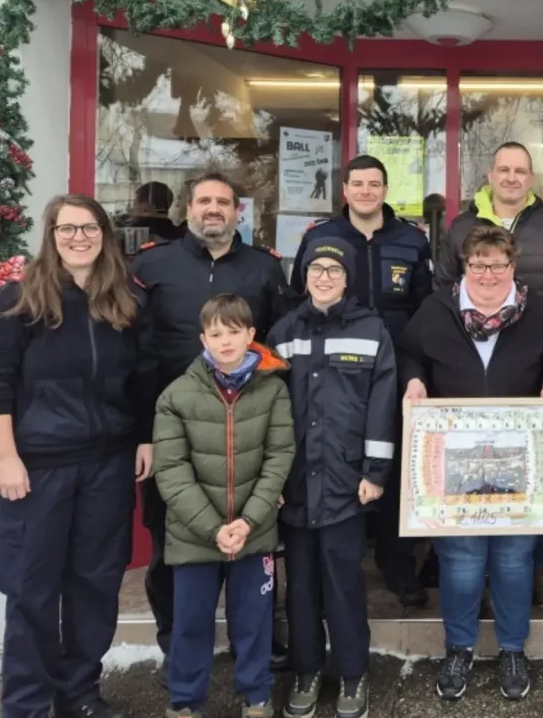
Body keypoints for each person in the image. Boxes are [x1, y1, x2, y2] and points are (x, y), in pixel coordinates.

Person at [0, 194, 155, 718]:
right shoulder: (17, 301)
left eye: (90, 228)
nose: (80, 238)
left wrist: (144, 437)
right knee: (32, 589)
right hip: (39, 467)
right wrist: (5, 457)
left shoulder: (126, 302)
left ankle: (79, 694)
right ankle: (29, 704)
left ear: (105, 234)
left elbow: (143, 377)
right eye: (67, 229)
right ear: (51, 237)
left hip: (107, 464)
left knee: (95, 585)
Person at [397, 225, 543, 702]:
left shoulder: (536, 310)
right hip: (454, 455)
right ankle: (458, 648)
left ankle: (512, 649)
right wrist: (415, 381)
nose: (486, 273)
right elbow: (410, 353)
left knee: (513, 559)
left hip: (517, 455)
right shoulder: (438, 309)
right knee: (460, 561)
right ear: (464, 266)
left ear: (512, 266)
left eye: (497, 264)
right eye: (476, 263)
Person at [133, 171, 294, 666]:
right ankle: (176, 647)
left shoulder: (264, 269)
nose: (213, 209)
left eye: (224, 202)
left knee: (254, 543)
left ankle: (259, 645)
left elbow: (279, 345)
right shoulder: (151, 264)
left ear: (237, 212)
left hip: (245, 432)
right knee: (171, 547)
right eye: (204, 200)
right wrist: (143, 435)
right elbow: (136, 353)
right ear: (188, 209)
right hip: (173, 432)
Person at [434, 141, 543, 609]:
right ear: (490, 174)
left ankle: (542, 568)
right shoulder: (462, 226)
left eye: (520, 170)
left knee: (539, 473)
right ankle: (476, 575)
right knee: (475, 467)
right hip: (471, 372)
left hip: (539, 376)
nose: (511, 177)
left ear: (530, 178)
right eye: (503, 169)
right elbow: (442, 292)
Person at [290, 154, 432, 608]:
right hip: (331, 377)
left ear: (386, 190)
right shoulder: (321, 239)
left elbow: (423, 311)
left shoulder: (412, 241)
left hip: (392, 373)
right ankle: (335, 563)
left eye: (375, 184)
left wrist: (417, 374)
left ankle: (397, 564)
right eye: (358, 184)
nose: (367, 191)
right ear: (345, 190)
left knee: (392, 466)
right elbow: (300, 301)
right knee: (335, 463)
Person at [268, 242, 398, 718]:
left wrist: (375, 473)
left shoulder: (371, 331)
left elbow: (382, 407)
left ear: (348, 278)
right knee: (299, 586)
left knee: (343, 583)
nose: (324, 276)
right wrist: (272, 478)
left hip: (347, 483)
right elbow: (268, 411)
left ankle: (351, 674)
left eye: (333, 269)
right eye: (315, 268)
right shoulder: (282, 332)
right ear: (303, 276)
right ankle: (305, 671)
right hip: (296, 483)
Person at [152, 294, 295, 718]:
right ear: (203, 339)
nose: (226, 341)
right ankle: (184, 700)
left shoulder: (273, 390)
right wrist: (215, 528)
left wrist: (249, 520)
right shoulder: (176, 396)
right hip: (194, 534)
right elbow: (171, 470)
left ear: (251, 335)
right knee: (191, 622)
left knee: (253, 621)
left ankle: (256, 694)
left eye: (234, 332)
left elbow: (279, 456)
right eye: (216, 333)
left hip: (255, 531)